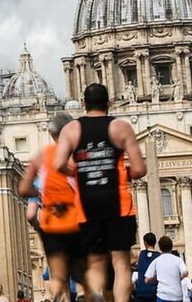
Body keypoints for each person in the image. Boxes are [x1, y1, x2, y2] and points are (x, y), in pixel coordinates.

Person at [55, 84, 146, 302]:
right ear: (109, 103)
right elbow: (140, 169)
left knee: (94, 262)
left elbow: (58, 164)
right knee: (122, 264)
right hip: (118, 203)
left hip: (86, 204)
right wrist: (123, 173)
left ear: (83, 103)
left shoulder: (71, 130)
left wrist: (78, 172)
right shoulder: (121, 127)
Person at [19, 112, 83, 302]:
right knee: (81, 270)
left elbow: (30, 213)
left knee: (58, 275)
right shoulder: (77, 157)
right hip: (76, 220)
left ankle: (58, 294)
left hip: (51, 222)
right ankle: (81, 293)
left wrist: (40, 226)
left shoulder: (42, 157)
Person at [142, 237, 186, 302]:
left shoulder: (156, 261)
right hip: (177, 295)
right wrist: (179, 278)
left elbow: (146, 280)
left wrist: (156, 279)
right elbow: (185, 272)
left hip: (163, 295)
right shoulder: (178, 260)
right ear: (171, 247)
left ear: (160, 247)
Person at [134, 234, 161, 302]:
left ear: (145, 242)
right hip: (154, 291)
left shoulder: (140, 254)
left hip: (141, 290)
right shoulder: (159, 256)